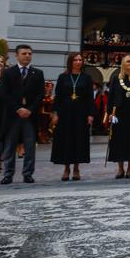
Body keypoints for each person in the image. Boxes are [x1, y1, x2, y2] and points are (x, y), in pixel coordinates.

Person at [0, 44, 44, 185]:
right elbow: (4, 94)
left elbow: (40, 95)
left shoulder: (37, 73)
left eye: (29, 53)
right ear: (16, 55)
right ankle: (8, 174)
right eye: (24, 53)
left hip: (30, 116)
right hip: (13, 116)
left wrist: (30, 109)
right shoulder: (8, 73)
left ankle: (28, 173)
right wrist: (18, 109)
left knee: (29, 146)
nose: (27, 56)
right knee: (10, 146)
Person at [50, 52, 94, 181]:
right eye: (76, 60)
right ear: (71, 62)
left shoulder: (87, 77)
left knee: (78, 140)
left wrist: (90, 114)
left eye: (80, 60)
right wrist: (55, 113)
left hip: (81, 113)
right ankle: (66, 168)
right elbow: (58, 96)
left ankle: (76, 168)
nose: (78, 62)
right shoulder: (63, 77)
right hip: (65, 113)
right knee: (66, 140)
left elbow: (89, 98)